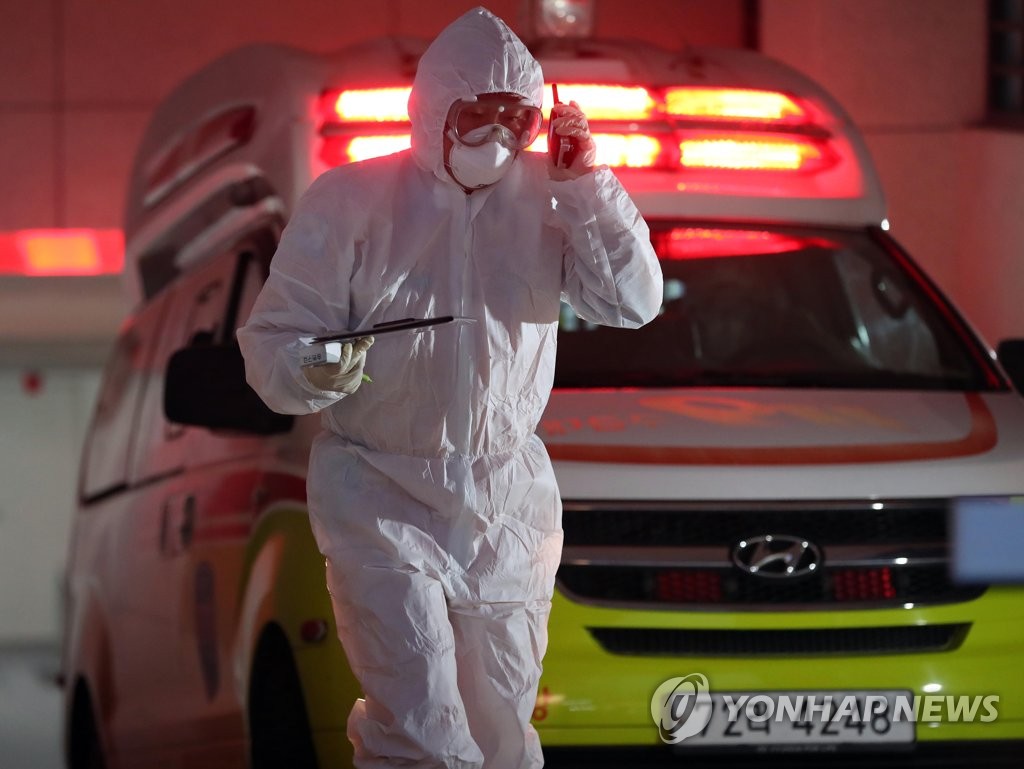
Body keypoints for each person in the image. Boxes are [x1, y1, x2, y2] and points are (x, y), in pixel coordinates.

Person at [237, 6, 662, 768]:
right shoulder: (351, 201)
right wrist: (310, 367)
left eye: (516, 118)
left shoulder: (549, 199)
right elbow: (274, 340)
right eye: (477, 115)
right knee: (421, 730)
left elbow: (633, 301)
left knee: (502, 733)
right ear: (435, 110)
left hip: (505, 504)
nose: (497, 135)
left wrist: (587, 186)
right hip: (380, 496)